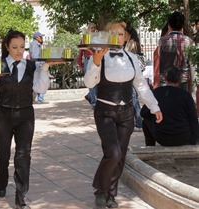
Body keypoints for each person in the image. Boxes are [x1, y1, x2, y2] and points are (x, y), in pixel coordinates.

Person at [83, 20, 163, 208]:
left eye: (121, 34)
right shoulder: (99, 57)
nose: (118, 37)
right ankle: (100, 188)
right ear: (107, 35)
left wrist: (155, 107)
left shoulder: (132, 58)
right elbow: (88, 83)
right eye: (114, 34)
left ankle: (110, 194)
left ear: (125, 36)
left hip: (126, 113)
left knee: (121, 156)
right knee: (113, 153)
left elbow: (141, 86)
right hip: (105, 112)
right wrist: (95, 63)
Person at [0, 30, 63, 209]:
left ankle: (21, 197)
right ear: (7, 47)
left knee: (23, 155)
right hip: (3, 115)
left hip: (26, 115)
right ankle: (1, 182)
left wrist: (45, 68)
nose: (19, 51)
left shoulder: (32, 66)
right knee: (3, 155)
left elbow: (40, 89)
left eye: (22, 47)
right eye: (14, 47)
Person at [141, 66, 199, 146]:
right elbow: (193, 119)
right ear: (179, 80)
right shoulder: (186, 95)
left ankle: (150, 146)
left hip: (161, 137)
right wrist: (193, 140)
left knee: (145, 121)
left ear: (165, 78)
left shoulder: (156, 93)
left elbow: (143, 113)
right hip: (183, 136)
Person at [157, 11, 195, 92]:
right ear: (182, 26)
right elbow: (192, 66)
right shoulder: (189, 41)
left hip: (165, 81)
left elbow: (160, 59)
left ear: (169, 25)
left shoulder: (162, 41)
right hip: (182, 81)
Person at [124, 23, 145, 132]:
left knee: (133, 98)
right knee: (133, 97)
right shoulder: (133, 42)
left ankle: (139, 122)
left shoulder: (131, 44)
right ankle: (137, 122)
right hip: (134, 72)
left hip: (132, 73)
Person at [77, 23, 97, 109]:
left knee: (96, 81)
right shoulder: (84, 39)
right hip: (88, 60)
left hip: (96, 60)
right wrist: (80, 65)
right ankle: (94, 103)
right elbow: (80, 53)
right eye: (91, 28)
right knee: (90, 82)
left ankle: (90, 96)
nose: (93, 29)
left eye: (94, 28)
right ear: (88, 29)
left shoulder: (97, 38)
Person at [29, 31, 47, 104]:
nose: (42, 38)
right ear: (37, 37)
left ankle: (38, 98)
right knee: (41, 81)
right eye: (41, 37)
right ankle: (40, 99)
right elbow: (35, 56)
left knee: (37, 81)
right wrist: (40, 65)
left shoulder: (36, 44)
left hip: (36, 64)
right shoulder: (35, 44)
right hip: (38, 65)